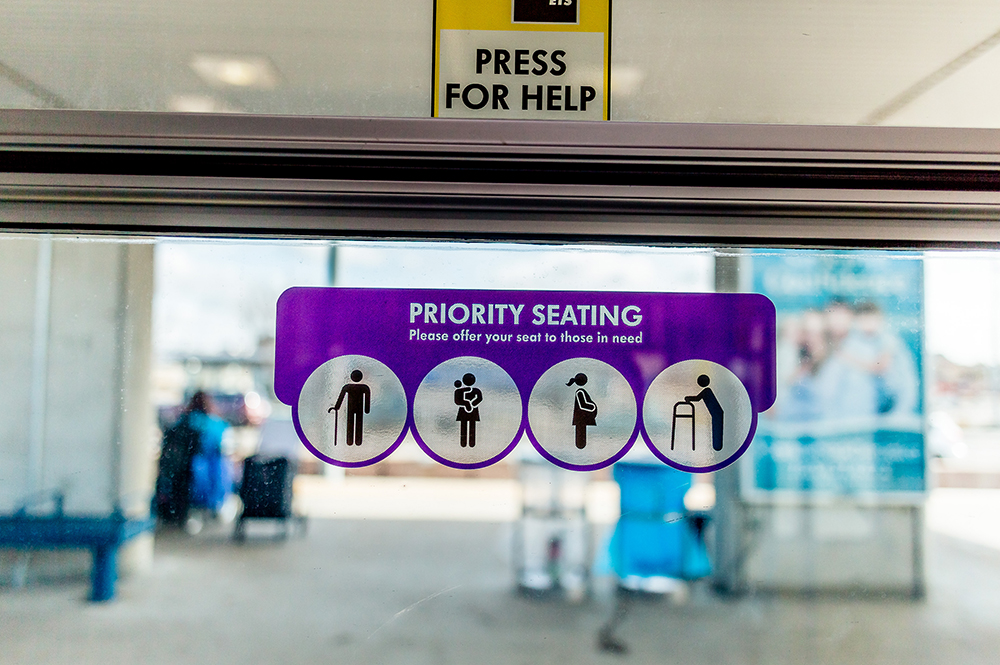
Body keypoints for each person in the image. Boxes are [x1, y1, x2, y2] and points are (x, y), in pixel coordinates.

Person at [331, 369, 371, 446]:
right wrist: (367, 409)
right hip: (359, 408)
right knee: (357, 423)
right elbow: (367, 399)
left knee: (351, 423)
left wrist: (337, 407)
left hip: (351, 408)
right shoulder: (364, 387)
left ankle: (350, 441)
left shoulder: (348, 387)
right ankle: (357, 441)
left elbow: (341, 398)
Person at [686, 374, 724, 451]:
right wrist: (689, 398)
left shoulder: (707, 391)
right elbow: (697, 398)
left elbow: (697, 398)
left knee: (717, 430)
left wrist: (688, 398)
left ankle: (717, 447)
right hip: (716, 413)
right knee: (716, 430)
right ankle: (717, 447)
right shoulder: (707, 391)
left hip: (717, 413)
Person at [567, 373, 597, 449]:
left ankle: (580, 445)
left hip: (581, 419)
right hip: (581, 419)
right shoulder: (580, 392)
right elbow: (584, 405)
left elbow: (584, 405)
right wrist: (593, 407)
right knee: (580, 435)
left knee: (581, 435)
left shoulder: (581, 392)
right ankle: (580, 445)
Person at [454, 373, 483, 447]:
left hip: (469, 411)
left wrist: (471, 404)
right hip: (466, 411)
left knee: (471, 426)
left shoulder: (473, 390)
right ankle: (465, 443)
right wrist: (468, 404)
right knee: (464, 426)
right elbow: (457, 401)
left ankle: (470, 443)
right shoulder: (462, 391)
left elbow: (479, 398)